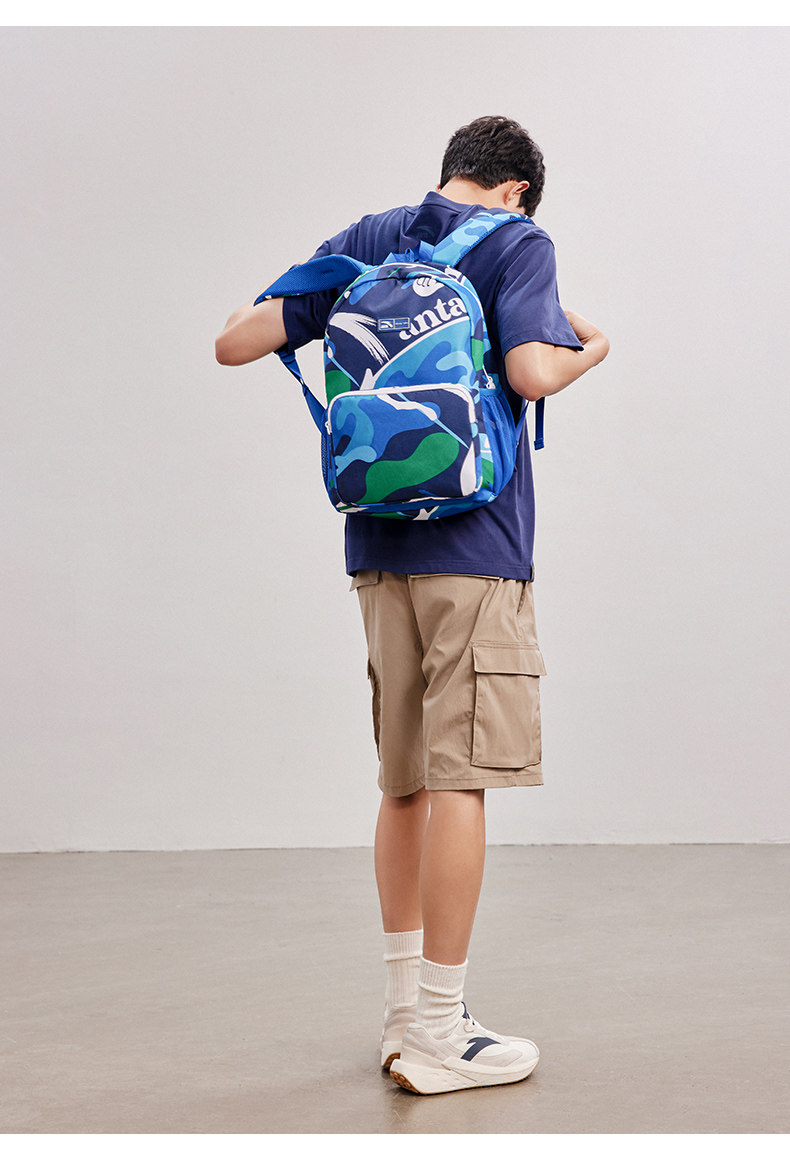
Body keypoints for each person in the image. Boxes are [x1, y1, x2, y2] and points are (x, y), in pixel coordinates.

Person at [216, 115, 609, 1095]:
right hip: (475, 548)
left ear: (450, 174)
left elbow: (235, 342)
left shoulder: (372, 237)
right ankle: (441, 1029)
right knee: (460, 780)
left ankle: (403, 1019)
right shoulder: (519, 243)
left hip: (378, 546)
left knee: (401, 785)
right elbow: (531, 372)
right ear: (516, 188)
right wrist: (591, 350)